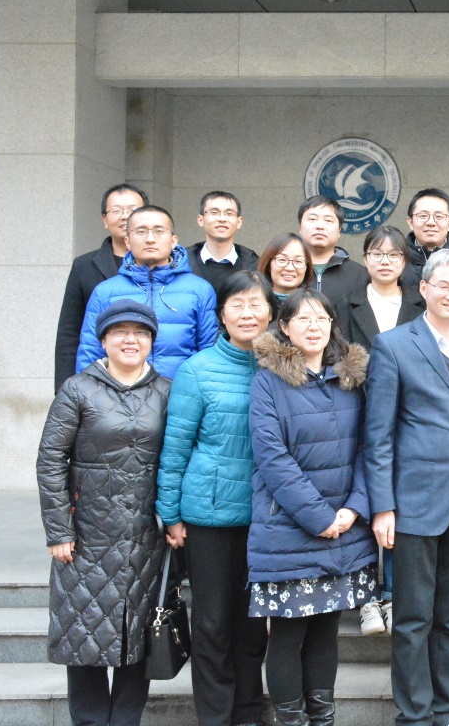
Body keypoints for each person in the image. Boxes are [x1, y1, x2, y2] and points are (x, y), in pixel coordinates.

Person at [364, 249, 449, 726]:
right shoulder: (393, 345)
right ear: (423, 288)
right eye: (443, 285)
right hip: (413, 500)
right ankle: (414, 713)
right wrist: (383, 505)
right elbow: (378, 435)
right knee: (413, 617)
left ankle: (446, 709)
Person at [37, 299, 171, 726]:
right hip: (87, 532)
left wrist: (173, 518)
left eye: (140, 332)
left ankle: (126, 719)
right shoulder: (78, 389)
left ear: (151, 341)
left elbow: (177, 458)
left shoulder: (167, 391)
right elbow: (50, 460)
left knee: (138, 631)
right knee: (83, 629)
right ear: (104, 340)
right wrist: (59, 529)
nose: (131, 340)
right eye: (120, 332)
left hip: (145, 532)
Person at [248, 289, 376, 726]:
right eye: (302, 318)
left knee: (326, 631)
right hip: (289, 529)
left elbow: (369, 448)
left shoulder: (350, 380)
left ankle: (322, 719)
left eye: (321, 317)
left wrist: (354, 508)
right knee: (288, 633)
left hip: (345, 528)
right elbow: (272, 457)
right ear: (284, 327)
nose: (314, 326)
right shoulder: (268, 382)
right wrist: (320, 517)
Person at [156, 272, 275, 726]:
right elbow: (175, 448)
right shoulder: (197, 370)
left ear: (271, 312)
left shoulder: (280, 367)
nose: (247, 313)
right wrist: (170, 513)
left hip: (264, 517)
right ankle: (216, 716)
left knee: (253, 625)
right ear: (221, 315)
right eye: (236, 305)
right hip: (209, 517)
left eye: (256, 304)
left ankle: (248, 712)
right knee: (211, 624)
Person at [333, 225, 424, 637]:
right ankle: (368, 596)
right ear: (365, 258)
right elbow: (335, 358)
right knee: (363, 501)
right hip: (358, 413)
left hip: (410, 418)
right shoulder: (345, 304)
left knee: (399, 507)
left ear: (405, 261)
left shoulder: (421, 303)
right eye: (376, 253)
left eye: (393, 255)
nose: (385, 261)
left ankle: (394, 595)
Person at [77, 205, 218, 380]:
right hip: (120, 393)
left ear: (173, 240)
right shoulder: (105, 291)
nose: (150, 239)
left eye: (159, 231)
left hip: (181, 391)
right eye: (141, 232)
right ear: (127, 241)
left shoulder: (199, 289)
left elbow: (209, 352)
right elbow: (90, 351)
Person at [53, 183, 147, 392]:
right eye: (116, 211)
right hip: (100, 380)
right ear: (105, 220)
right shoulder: (84, 266)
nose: (125, 216)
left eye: (132, 210)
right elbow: (69, 331)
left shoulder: (163, 265)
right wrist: (64, 389)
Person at [297, 196, 369, 302]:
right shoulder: (287, 270)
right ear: (300, 227)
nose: (320, 226)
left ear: (339, 230)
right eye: (312, 219)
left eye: (328, 220)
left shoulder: (359, 274)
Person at [188, 190, 260, 295]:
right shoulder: (182, 262)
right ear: (200, 220)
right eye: (214, 213)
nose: (222, 219)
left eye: (229, 214)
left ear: (239, 222)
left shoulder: (255, 265)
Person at [401, 188, 449, 286]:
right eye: (423, 216)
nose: (431, 222)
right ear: (410, 222)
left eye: (439, 216)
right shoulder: (395, 263)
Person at [258, 233, 314, 304]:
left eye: (298, 261)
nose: (290, 268)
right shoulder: (254, 302)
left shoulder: (314, 306)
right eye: (282, 260)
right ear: (269, 264)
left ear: (306, 267)